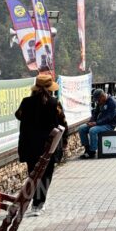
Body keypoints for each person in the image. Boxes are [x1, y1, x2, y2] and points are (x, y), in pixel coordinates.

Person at [15, 73, 67, 217]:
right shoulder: (54, 103)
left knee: (33, 174)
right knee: (46, 175)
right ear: (50, 88)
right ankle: (38, 204)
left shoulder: (26, 102)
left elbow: (18, 115)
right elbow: (63, 123)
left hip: (30, 145)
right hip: (48, 147)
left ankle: (30, 202)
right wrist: (65, 143)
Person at [79, 89, 116, 159]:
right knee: (81, 128)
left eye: (98, 100)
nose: (97, 102)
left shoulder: (113, 103)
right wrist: (91, 121)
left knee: (93, 130)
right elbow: (95, 113)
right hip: (99, 123)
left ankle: (92, 151)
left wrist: (96, 123)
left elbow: (108, 118)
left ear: (102, 96)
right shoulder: (100, 102)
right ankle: (87, 149)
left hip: (109, 125)